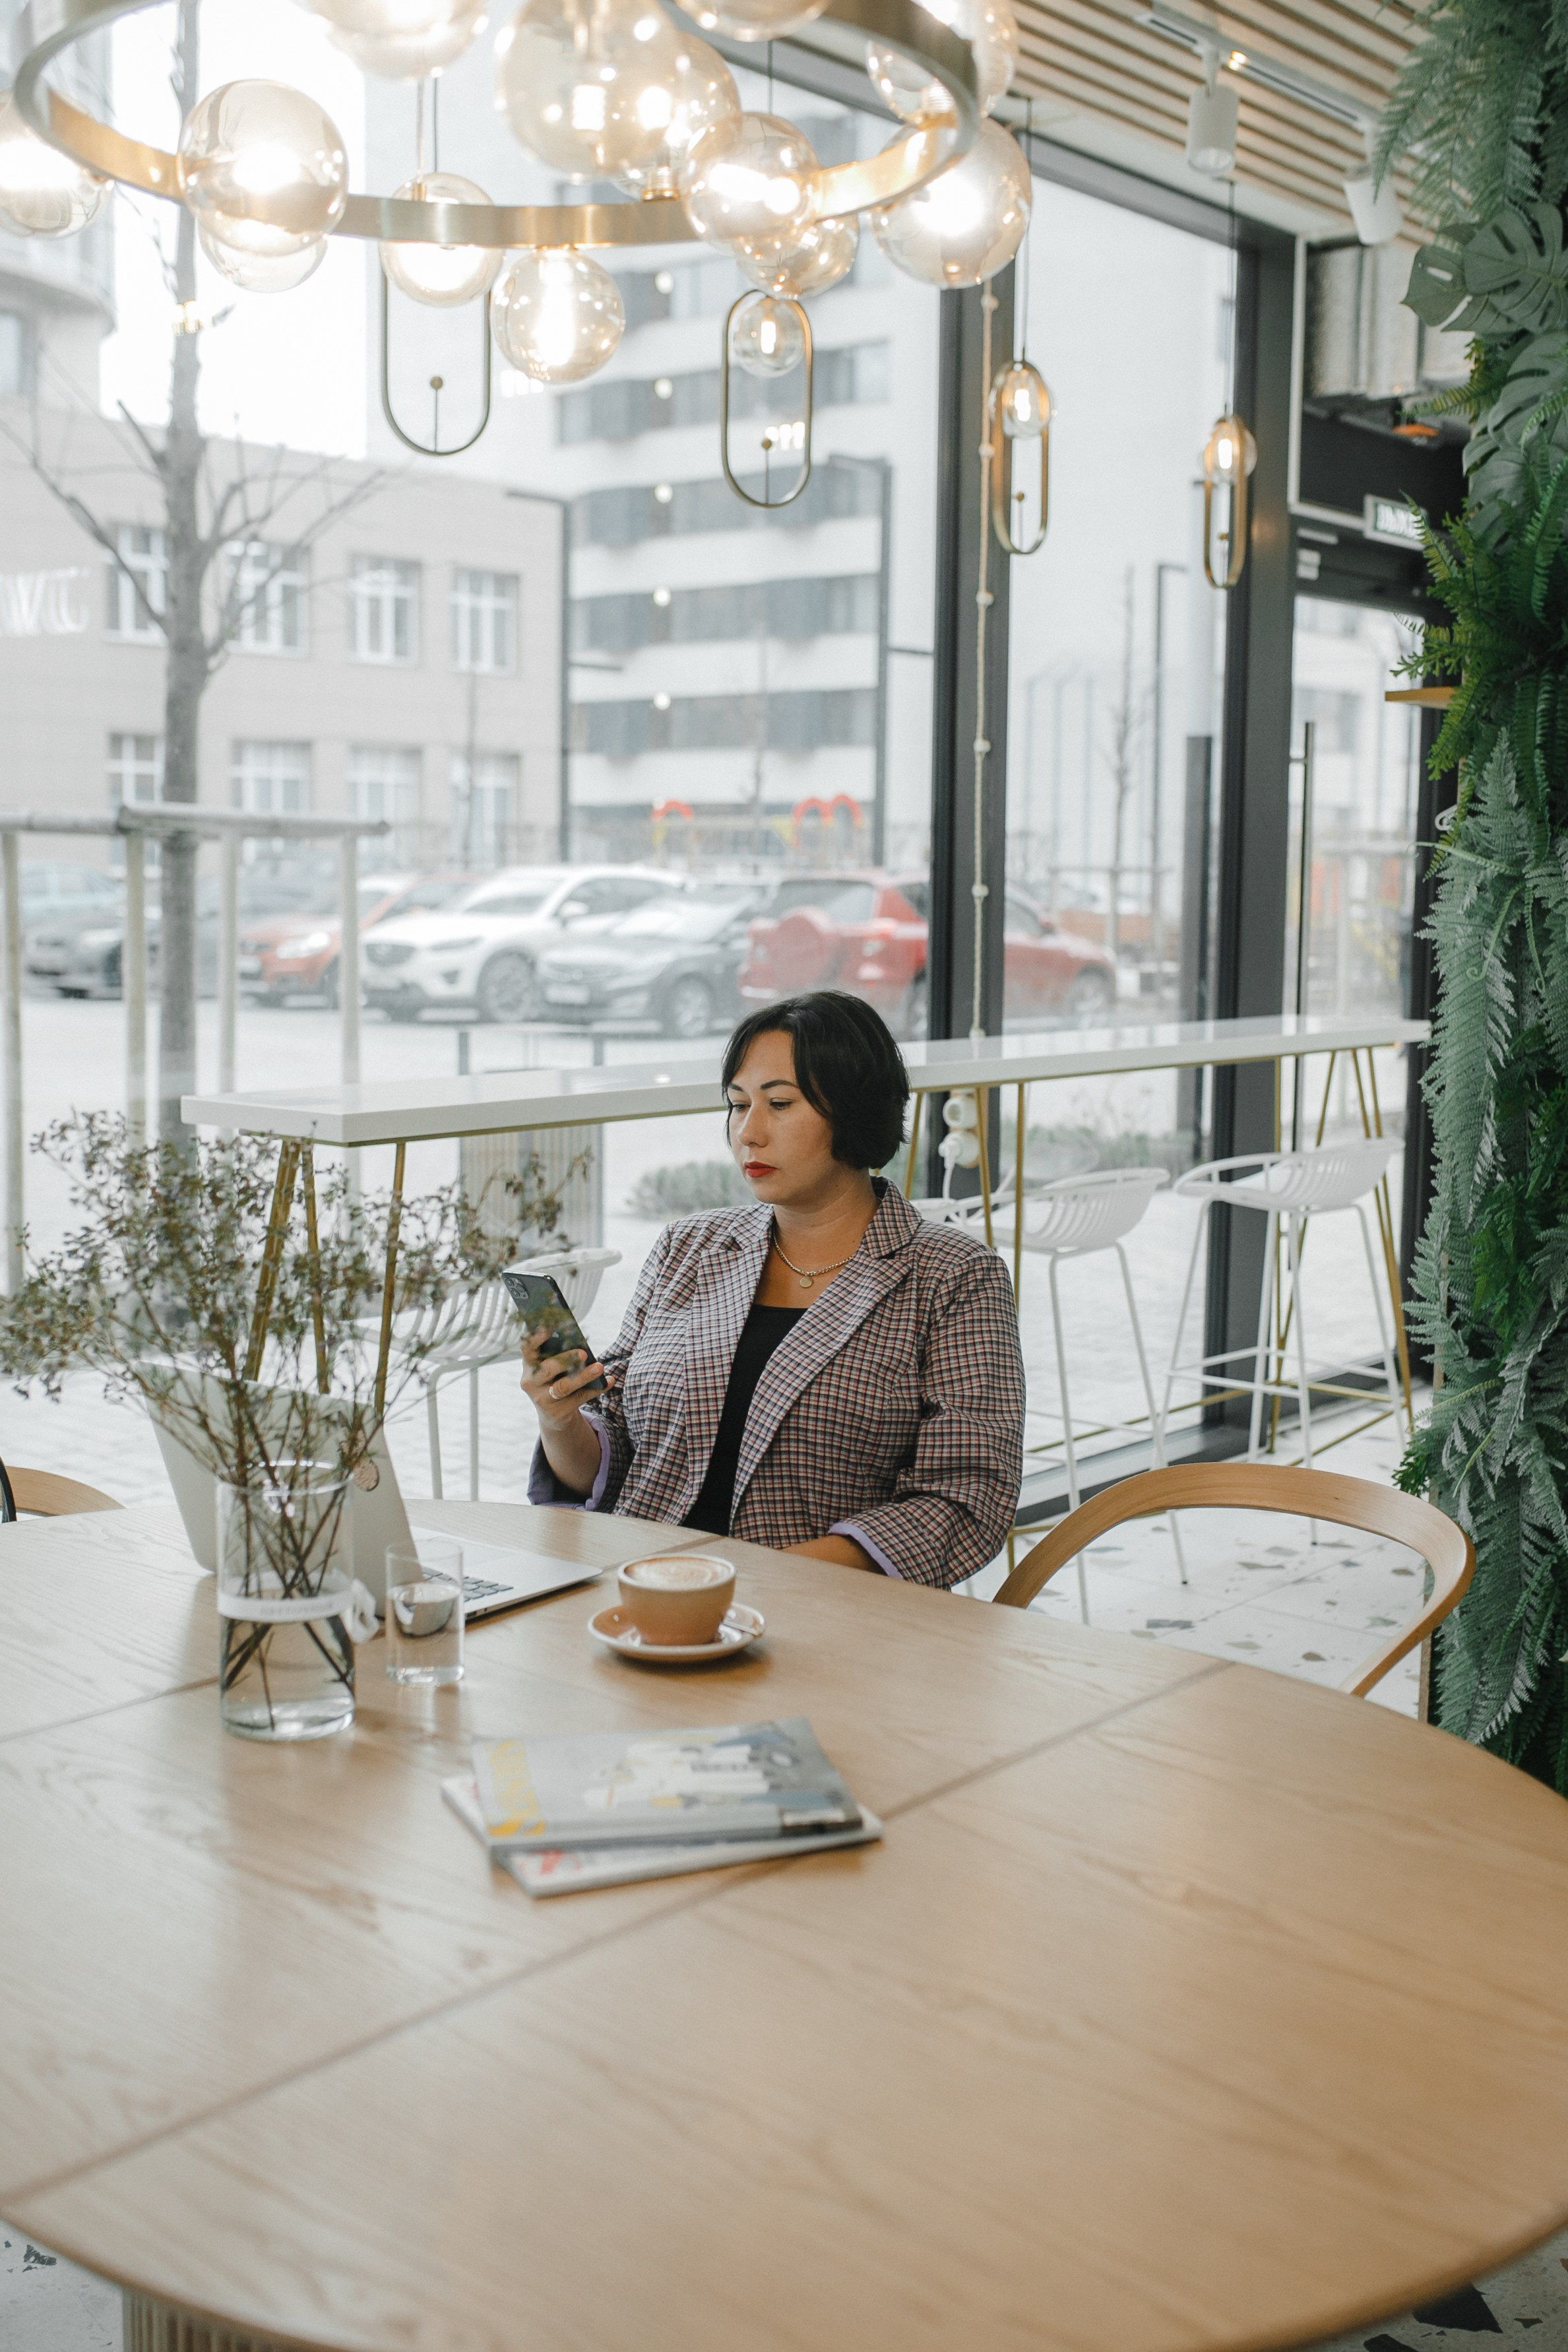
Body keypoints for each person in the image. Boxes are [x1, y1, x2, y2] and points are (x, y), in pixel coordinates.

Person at [522, 990, 1024, 1588]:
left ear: (855, 1109)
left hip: (824, 1621)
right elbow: (620, 1456)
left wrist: (749, 1577)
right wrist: (559, 1418)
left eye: (780, 1104)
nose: (748, 1133)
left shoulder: (951, 1276)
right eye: (737, 1105)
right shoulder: (690, 1248)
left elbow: (966, 1498)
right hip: (644, 1595)